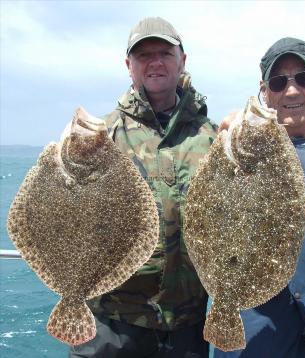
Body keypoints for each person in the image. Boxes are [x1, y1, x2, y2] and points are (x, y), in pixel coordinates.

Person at [69, 17, 217, 358]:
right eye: (143, 55)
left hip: (187, 324)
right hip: (111, 321)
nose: (155, 62)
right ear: (129, 66)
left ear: (182, 61)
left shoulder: (213, 139)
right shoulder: (97, 137)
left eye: (165, 52)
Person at [215, 38, 305, 358]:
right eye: (279, 81)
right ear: (264, 92)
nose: (293, 90)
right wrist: (221, 149)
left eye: (304, 78)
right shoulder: (239, 151)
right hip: (262, 326)